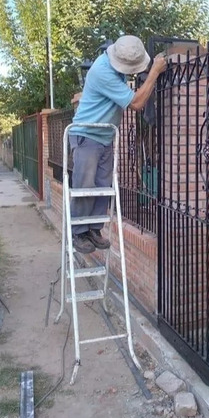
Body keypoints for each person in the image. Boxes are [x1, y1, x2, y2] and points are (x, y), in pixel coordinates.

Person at [69, 35, 167, 254]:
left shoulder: (116, 69)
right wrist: (154, 72)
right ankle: (78, 232)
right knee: (85, 187)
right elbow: (137, 103)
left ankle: (93, 228)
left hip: (104, 136)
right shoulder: (102, 71)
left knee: (103, 187)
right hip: (87, 135)